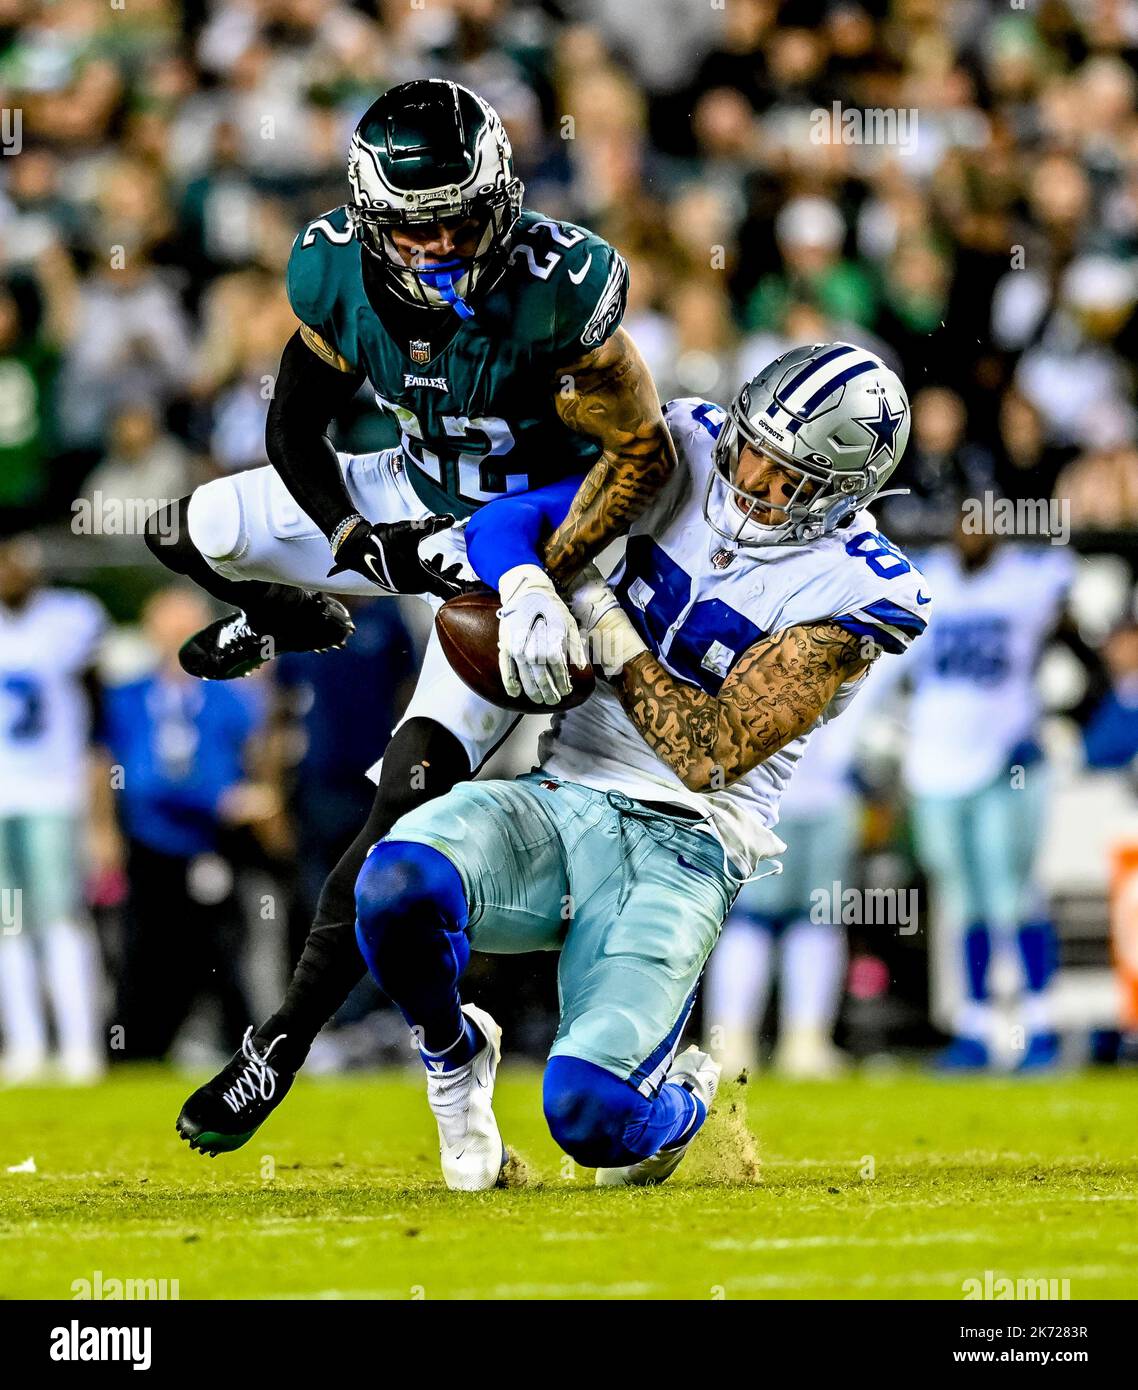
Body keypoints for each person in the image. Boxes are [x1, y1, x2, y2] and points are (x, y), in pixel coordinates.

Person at [158, 80, 679, 1152]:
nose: (439, 243)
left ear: (501, 199)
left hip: (519, 544)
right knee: (188, 527)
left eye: (459, 216)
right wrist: (355, 543)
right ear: (368, 215)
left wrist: (541, 578)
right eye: (415, 221)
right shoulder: (334, 269)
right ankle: (292, 621)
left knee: (399, 808)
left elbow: (645, 458)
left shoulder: (562, 287)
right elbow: (297, 427)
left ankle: (279, 1048)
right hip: (404, 496)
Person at [348, 343, 927, 1188]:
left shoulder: (860, 588)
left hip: (686, 845)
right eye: (754, 449)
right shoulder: (684, 442)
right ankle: (452, 1055)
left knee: (592, 1120)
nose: (755, 479)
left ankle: (683, 1095)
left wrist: (604, 621)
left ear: (845, 495)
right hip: (564, 790)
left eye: (788, 477)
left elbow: (709, 752)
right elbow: (505, 523)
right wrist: (530, 587)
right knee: (394, 883)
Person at [903, 518, 1074, 1071]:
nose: (970, 533)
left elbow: (1072, 583)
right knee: (964, 901)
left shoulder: (1027, 576)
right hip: (936, 766)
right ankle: (976, 1029)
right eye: (962, 520)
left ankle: (1040, 1025)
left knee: (1015, 895)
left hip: (1007, 761)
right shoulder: (926, 577)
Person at [98, 587, 269, 1061]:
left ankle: (245, 1051)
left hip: (213, 843)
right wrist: (104, 832)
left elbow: (254, 757)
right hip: (152, 840)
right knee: (144, 951)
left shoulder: (230, 696)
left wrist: (255, 803)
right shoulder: (129, 696)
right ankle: (133, 1049)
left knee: (221, 951)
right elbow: (123, 771)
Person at [0, 536, 107, 1083]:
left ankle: (80, 1044)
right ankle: (26, 1045)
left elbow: (94, 696)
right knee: (8, 926)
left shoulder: (69, 616)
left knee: (62, 918)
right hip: (3, 796)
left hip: (51, 791)